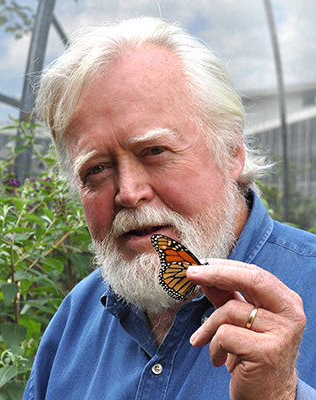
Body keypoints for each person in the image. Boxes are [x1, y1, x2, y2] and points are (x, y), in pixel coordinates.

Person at [23, 17, 316, 400]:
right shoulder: (75, 318)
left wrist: (280, 393)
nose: (128, 193)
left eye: (155, 151)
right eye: (96, 169)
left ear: (231, 151)